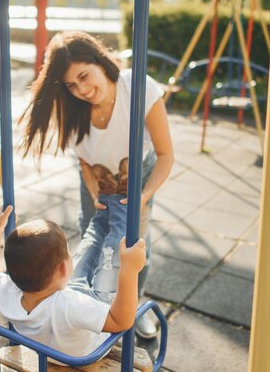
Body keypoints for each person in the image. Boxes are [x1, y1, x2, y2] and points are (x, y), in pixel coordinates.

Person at [20, 31, 174, 338]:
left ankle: (133, 305)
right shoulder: (73, 108)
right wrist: (93, 189)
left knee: (133, 244)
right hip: (97, 178)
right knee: (92, 231)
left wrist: (144, 195)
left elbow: (166, 154)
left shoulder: (139, 89)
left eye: (84, 76)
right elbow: (84, 161)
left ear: (100, 61)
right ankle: (84, 301)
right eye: (72, 85)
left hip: (137, 175)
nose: (82, 89)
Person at [0, 205, 147, 359]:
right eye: (67, 252)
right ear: (63, 269)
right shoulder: (70, 304)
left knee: (89, 251)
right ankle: (118, 207)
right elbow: (121, 320)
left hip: (55, 346)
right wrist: (130, 270)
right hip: (88, 350)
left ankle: (106, 210)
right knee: (112, 255)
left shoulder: (8, 293)